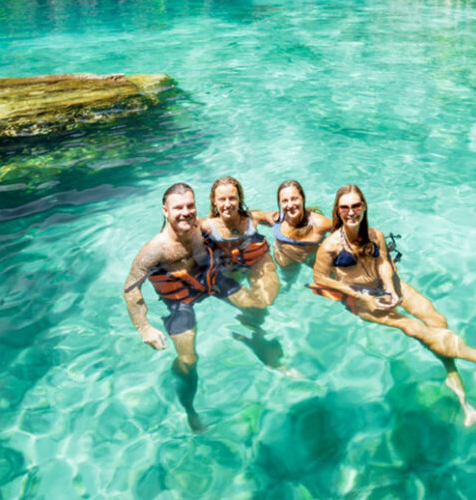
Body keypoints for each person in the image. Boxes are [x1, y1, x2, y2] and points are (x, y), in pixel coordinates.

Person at [311, 184, 476, 426]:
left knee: (436, 320)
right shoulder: (330, 246)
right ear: (337, 211)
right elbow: (321, 278)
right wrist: (362, 296)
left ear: (364, 206)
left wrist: (390, 287)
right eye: (345, 207)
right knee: (414, 328)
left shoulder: (374, 234)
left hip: (388, 286)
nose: (351, 212)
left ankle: (451, 373)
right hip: (360, 297)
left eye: (356, 205)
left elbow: (383, 263)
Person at [123, 181, 261, 430]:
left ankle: (256, 342)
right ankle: (190, 409)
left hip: (209, 281)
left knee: (256, 305)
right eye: (178, 208)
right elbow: (131, 289)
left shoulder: (200, 228)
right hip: (180, 299)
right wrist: (144, 327)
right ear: (165, 211)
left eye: (190, 206)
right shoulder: (154, 250)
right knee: (188, 359)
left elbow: (232, 226)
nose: (186, 212)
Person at [204, 176, 284, 366]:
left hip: (256, 261)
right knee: (253, 307)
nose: (227, 204)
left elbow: (276, 217)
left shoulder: (252, 218)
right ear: (214, 201)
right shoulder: (206, 226)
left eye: (232, 198)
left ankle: (254, 336)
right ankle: (258, 344)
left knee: (266, 301)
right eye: (222, 199)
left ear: (239, 199)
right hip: (225, 271)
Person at [257, 179, 331, 271]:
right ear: (280, 204)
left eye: (294, 199)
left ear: (302, 198)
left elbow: (346, 233)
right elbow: (257, 217)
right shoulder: (277, 219)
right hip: (285, 261)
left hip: (312, 261)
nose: (290, 205)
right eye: (285, 201)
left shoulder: (318, 223)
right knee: (287, 283)